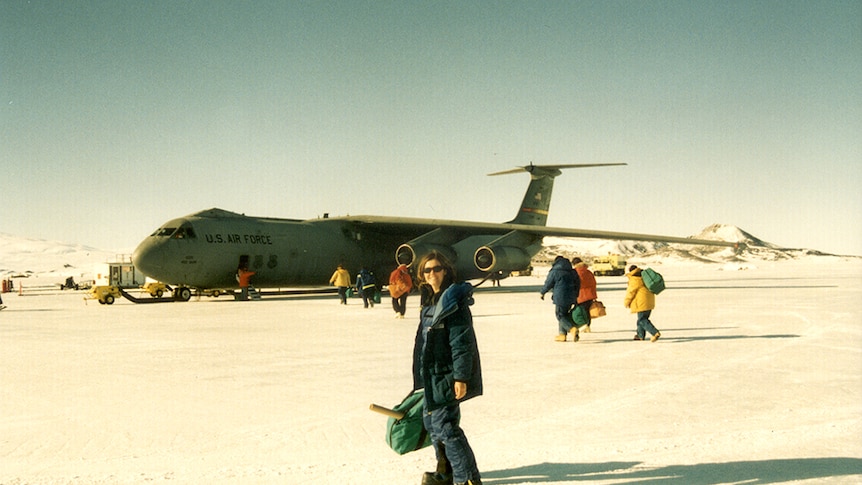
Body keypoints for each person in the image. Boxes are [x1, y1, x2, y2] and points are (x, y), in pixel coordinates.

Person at [411, 251, 482, 485]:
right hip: (430, 374)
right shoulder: (430, 300)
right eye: (427, 270)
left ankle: (465, 479)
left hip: (446, 374)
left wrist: (461, 377)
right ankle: (447, 473)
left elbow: (462, 342)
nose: (432, 274)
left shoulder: (452, 302)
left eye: (437, 269)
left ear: (446, 270)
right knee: (434, 426)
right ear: (422, 275)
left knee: (446, 428)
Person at [540, 256, 579, 342]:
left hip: (560, 296)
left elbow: (548, 283)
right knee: (564, 315)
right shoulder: (572, 272)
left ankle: (572, 329)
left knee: (560, 315)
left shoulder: (555, 271)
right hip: (571, 296)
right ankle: (562, 335)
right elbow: (578, 284)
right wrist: (576, 295)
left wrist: (542, 292)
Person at [624, 265, 661, 342]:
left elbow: (631, 292)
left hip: (641, 302)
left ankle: (654, 332)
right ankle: (640, 335)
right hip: (649, 301)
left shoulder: (635, 279)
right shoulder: (644, 276)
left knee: (642, 320)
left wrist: (627, 301)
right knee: (642, 319)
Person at [572, 257, 598, 333]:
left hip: (580, 295)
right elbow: (594, 282)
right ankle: (588, 326)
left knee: (579, 312)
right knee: (587, 311)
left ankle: (583, 325)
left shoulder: (575, 272)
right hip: (590, 295)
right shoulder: (589, 272)